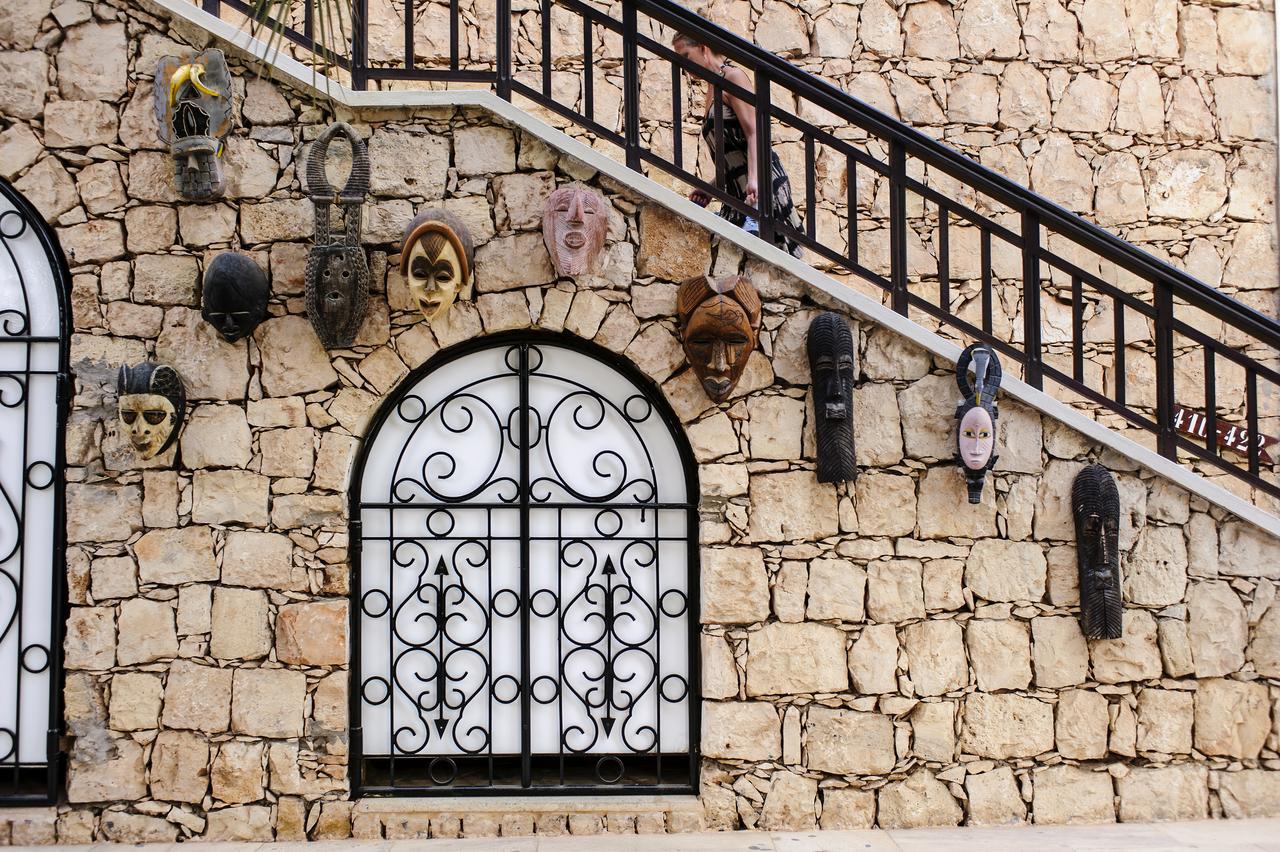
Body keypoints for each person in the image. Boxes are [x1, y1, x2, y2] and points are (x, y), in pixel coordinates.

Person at [673, 32, 804, 258]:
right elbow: (732, 152)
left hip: (758, 191)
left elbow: (755, 132)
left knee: (765, 267)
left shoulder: (733, 77)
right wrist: (711, 188)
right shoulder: (713, 87)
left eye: (686, 55)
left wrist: (754, 180)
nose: (684, 65)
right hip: (737, 194)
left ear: (703, 48)